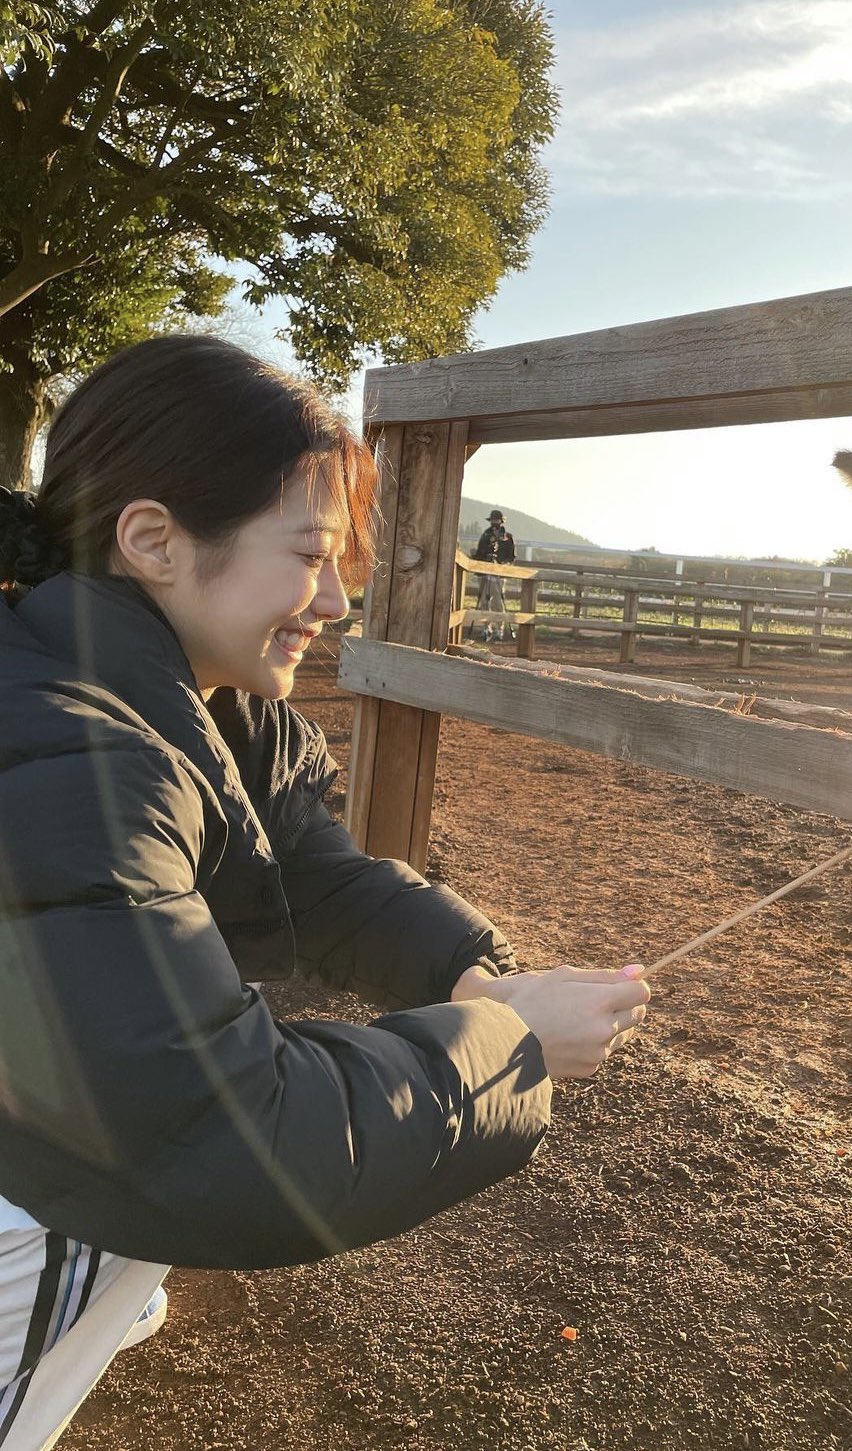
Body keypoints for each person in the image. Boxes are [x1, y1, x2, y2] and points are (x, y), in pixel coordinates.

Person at [0, 337, 650, 1449]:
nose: (341, 600)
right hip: (33, 1197)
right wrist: (510, 1044)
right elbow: (217, 1138)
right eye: (311, 554)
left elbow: (303, 870)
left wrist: (473, 972)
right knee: (99, 1236)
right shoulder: (81, 758)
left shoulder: (180, 699)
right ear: (152, 540)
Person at [471, 508, 516, 642]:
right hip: (485, 571)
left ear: (501, 521)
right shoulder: (486, 535)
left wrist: (503, 565)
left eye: (497, 520)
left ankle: (499, 628)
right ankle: (486, 627)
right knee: (484, 601)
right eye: (493, 520)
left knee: (497, 601)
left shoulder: (507, 537)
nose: (494, 522)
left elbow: (511, 557)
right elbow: (480, 552)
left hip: (499, 573)